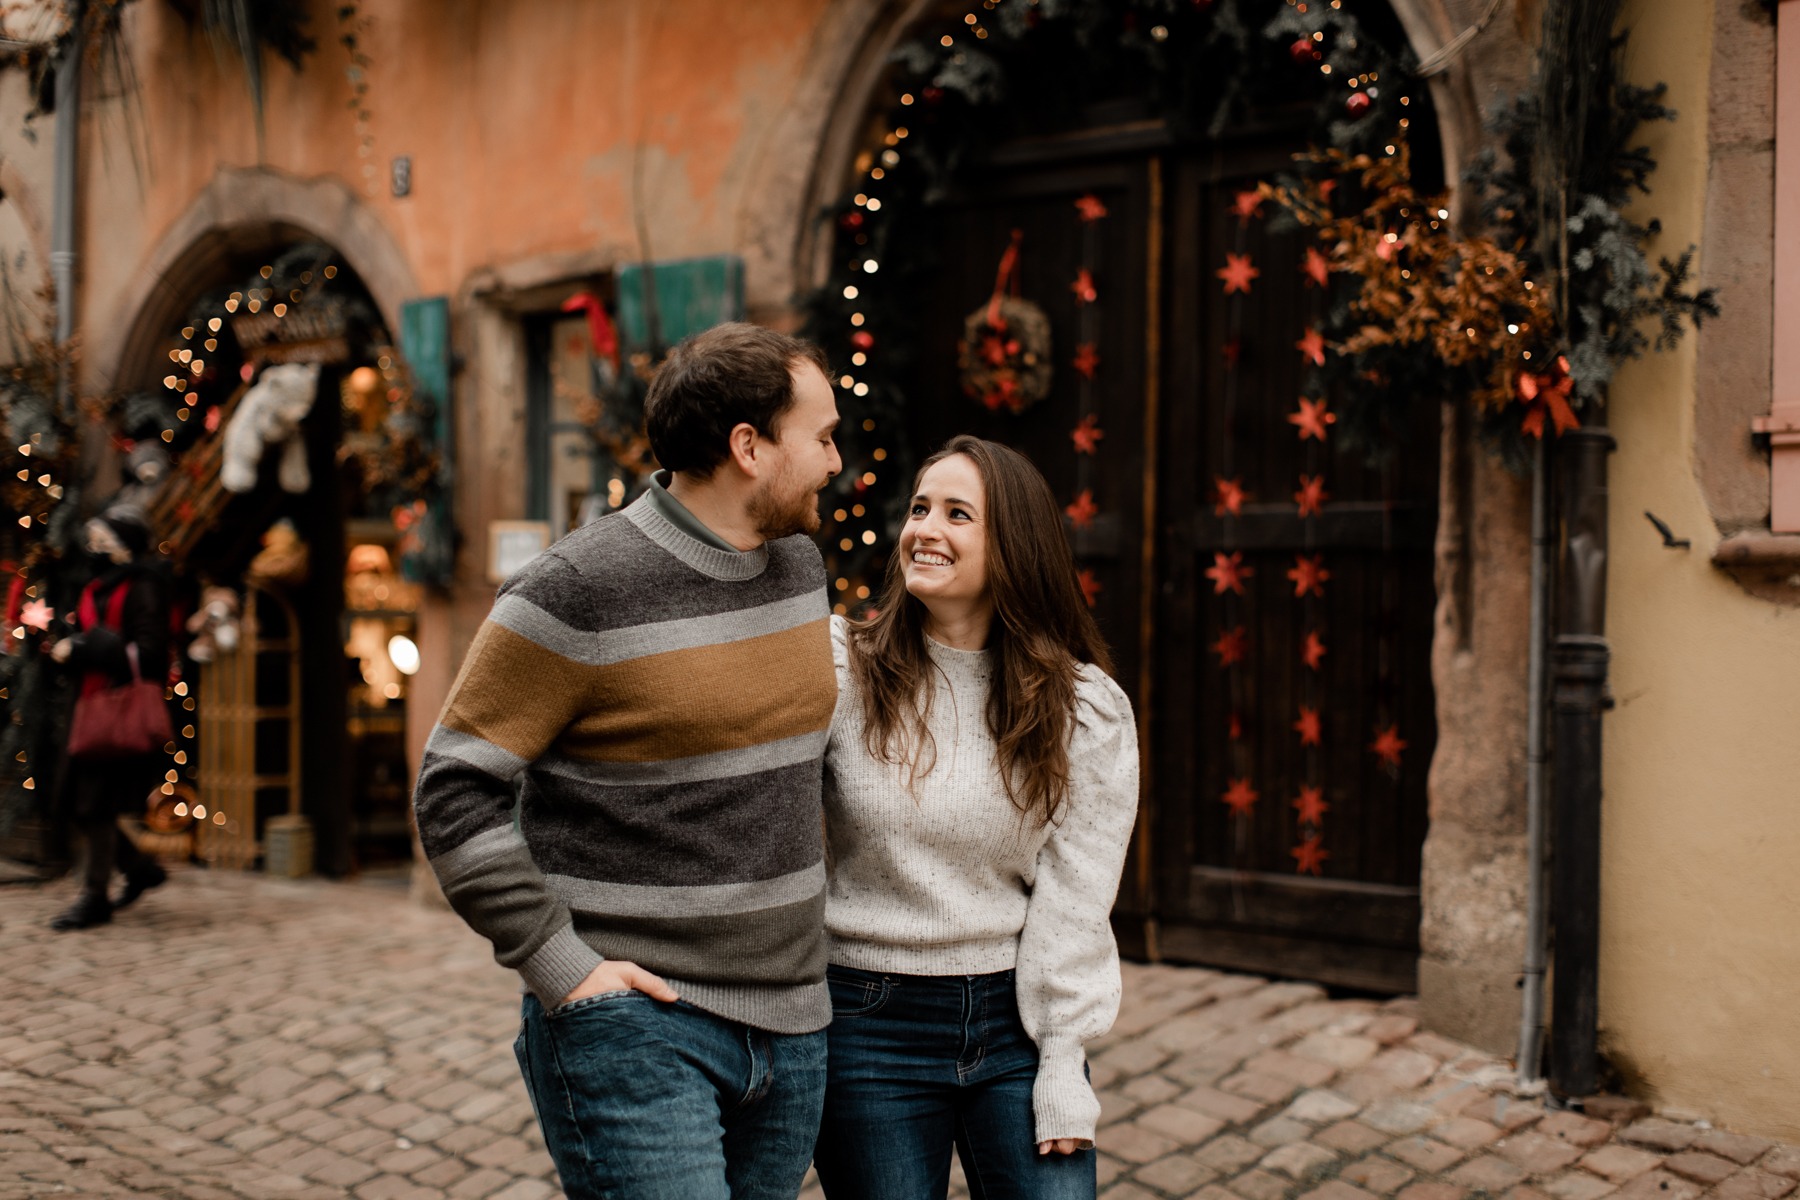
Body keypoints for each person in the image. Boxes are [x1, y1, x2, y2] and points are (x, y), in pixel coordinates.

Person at [413, 322, 842, 1200]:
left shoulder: (801, 567)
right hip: (640, 1027)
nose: (838, 463)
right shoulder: (576, 588)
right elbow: (454, 788)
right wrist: (560, 967)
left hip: (797, 1026)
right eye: (824, 438)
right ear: (748, 447)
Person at [813, 435, 1140, 1200]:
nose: (926, 528)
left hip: (1014, 1025)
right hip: (867, 1022)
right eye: (921, 507)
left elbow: (1077, 899)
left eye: (958, 514)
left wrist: (1063, 1057)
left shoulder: (1082, 709)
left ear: (1014, 547)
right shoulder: (842, 667)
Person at [49, 504, 172, 931]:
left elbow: (151, 653)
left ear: (123, 547)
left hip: (119, 713)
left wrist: (87, 649)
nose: (93, 548)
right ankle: (138, 867)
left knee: (94, 806)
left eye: (102, 541)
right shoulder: (95, 586)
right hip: (89, 709)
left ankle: (95, 896)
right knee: (79, 804)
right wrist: (71, 650)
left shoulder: (144, 587)